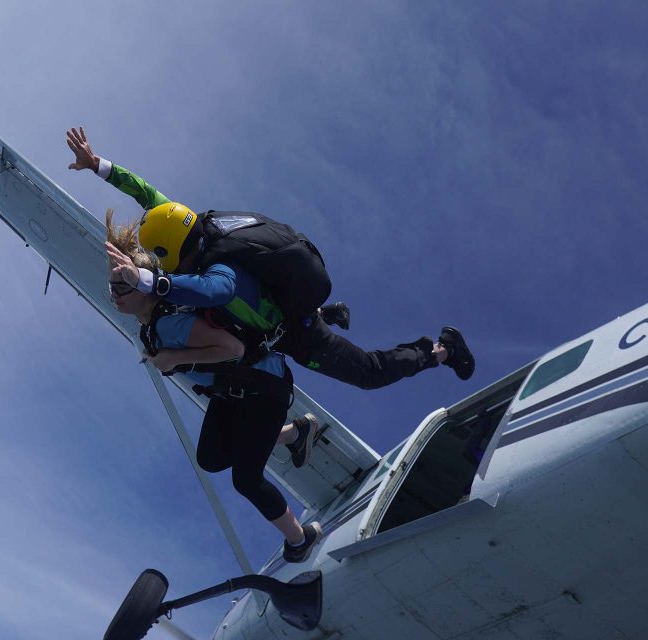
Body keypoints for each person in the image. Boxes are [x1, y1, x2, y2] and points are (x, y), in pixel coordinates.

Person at [67, 128, 476, 394]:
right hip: (280, 292)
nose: (162, 267)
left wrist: (151, 283)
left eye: (162, 261)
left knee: (368, 372)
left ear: (171, 251)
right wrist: (99, 166)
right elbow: (146, 192)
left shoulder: (215, 264)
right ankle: (324, 310)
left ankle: (440, 350)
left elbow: (219, 290)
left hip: (297, 332)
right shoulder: (193, 222)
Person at [106, 210, 322, 563]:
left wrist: (176, 360)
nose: (114, 294)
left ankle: (300, 539)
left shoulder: (169, 325)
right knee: (209, 457)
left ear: (144, 287)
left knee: (246, 480)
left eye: (121, 286)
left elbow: (232, 349)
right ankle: (295, 433)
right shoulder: (155, 324)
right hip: (234, 391)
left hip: (264, 388)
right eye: (112, 285)